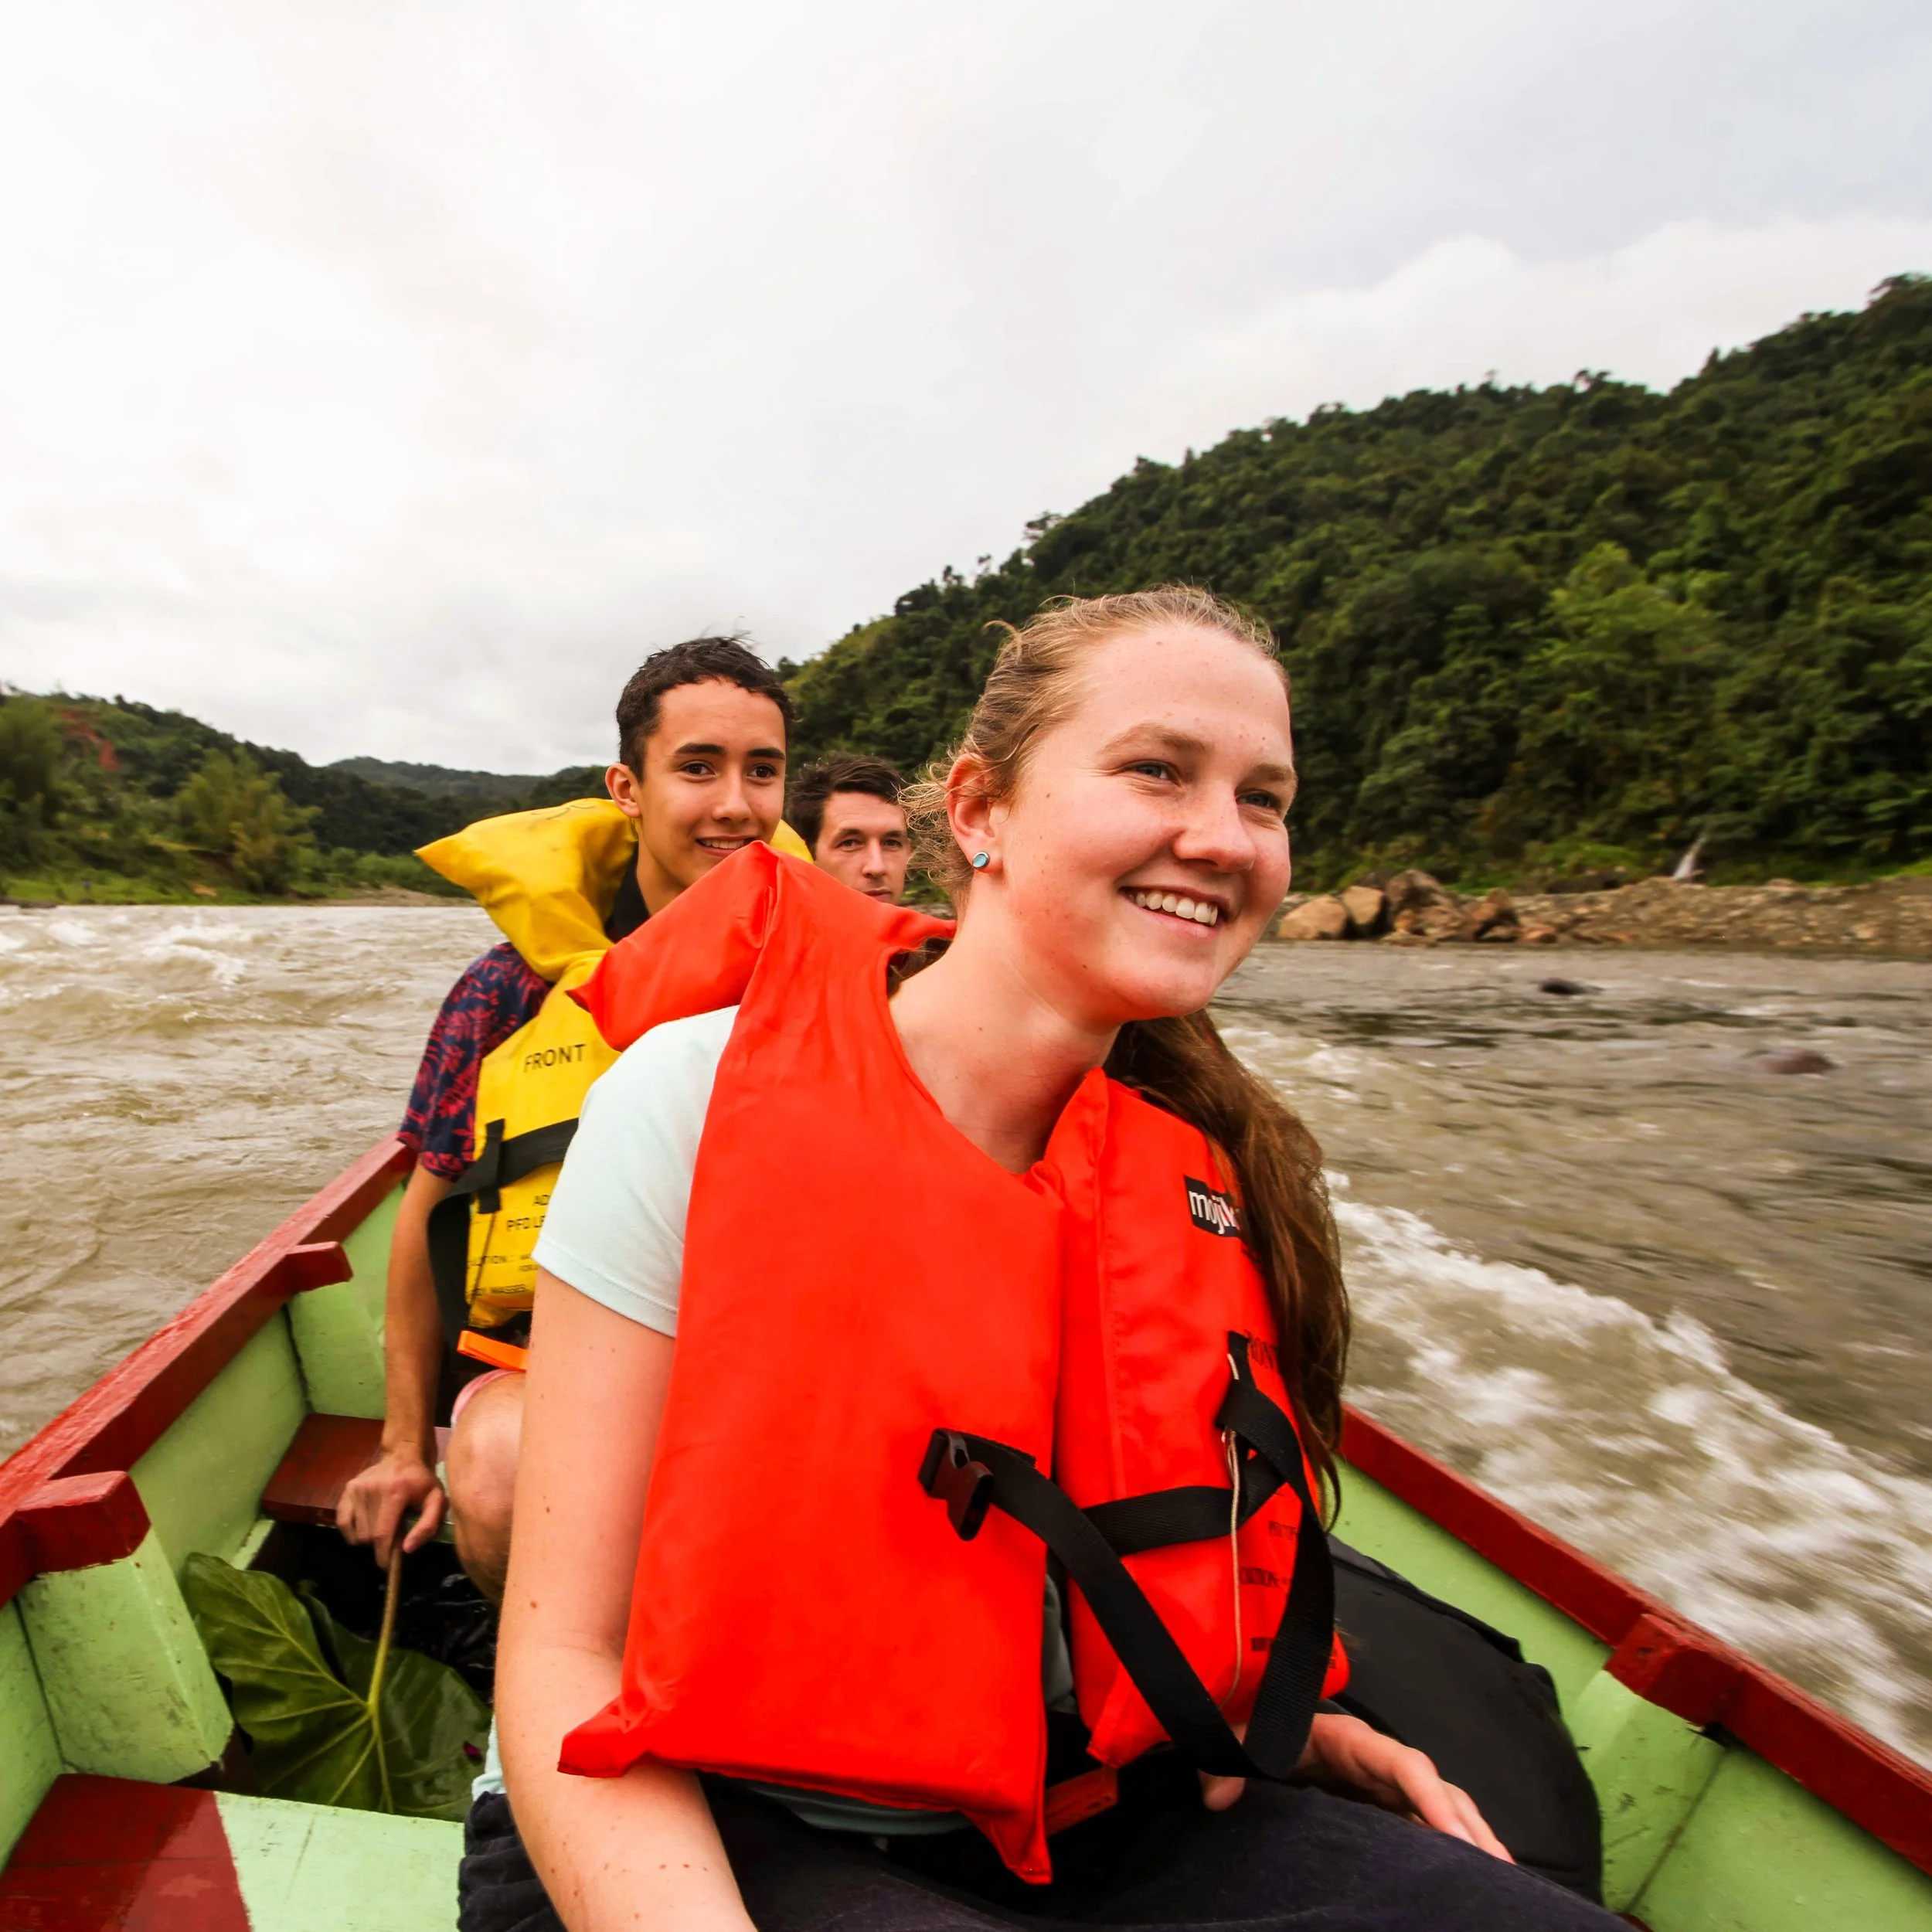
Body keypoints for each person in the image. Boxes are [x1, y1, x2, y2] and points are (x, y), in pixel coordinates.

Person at [479, 589, 1625, 1931]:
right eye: (1157, 769)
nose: (1221, 837)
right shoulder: (691, 1100)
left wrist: (1300, 1732)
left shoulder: (1207, 1168)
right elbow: (562, 1660)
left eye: (1265, 797)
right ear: (977, 813)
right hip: (711, 1815)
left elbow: (1126, 1550)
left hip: (1093, 1817)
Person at [336, 634, 802, 1599]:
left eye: (762, 771)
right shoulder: (501, 992)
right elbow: (427, 1219)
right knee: (501, 1469)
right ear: (626, 788)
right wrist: (400, 1446)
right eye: (698, 768)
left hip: (767, 1356)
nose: (734, 804)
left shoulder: (827, 978)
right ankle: (550, 1677)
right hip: (543, 1359)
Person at [784, 753, 913, 903]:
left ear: (909, 853)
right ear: (806, 856)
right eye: (849, 843)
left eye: (891, 843)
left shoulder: (937, 926)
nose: (877, 868)